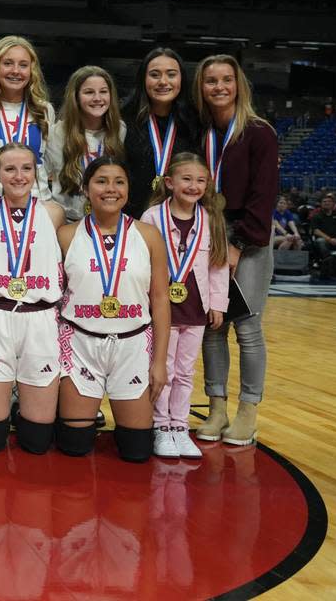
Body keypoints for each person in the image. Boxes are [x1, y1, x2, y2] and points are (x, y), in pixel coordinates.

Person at [55, 156, 170, 463]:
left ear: (129, 190)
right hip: (80, 343)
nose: (111, 189)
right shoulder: (66, 236)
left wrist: (159, 362)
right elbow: (55, 297)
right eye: (101, 181)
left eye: (119, 182)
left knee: (137, 452)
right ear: (85, 188)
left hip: (132, 345)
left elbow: (160, 298)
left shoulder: (148, 236)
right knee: (74, 445)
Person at [192, 54, 278, 446]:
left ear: (239, 84)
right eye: (211, 80)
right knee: (213, 326)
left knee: (247, 328)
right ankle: (217, 407)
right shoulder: (201, 132)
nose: (220, 87)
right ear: (202, 87)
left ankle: (248, 411)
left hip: (248, 238)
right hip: (208, 235)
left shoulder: (259, 133)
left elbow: (264, 197)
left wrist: (239, 245)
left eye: (227, 79)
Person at [0, 143, 66, 454]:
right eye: (9, 169)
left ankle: (23, 403)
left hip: (41, 319)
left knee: (37, 443)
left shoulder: (54, 213)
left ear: (37, 173)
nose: (18, 175)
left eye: (26, 168)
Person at [140, 153, 229, 459]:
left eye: (200, 180)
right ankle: (160, 426)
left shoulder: (211, 218)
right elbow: (141, 263)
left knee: (186, 371)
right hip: (161, 309)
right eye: (186, 179)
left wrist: (218, 303)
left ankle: (180, 426)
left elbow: (218, 265)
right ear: (170, 183)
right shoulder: (152, 217)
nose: (193, 186)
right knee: (162, 368)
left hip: (195, 308)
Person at [0, 35, 54, 204]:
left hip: (37, 204)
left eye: (23, 65)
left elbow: (49, 160)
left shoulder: (44, 110)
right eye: (7, 63)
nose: (16, 70)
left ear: (32, 70)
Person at [121, 47, 201, 219]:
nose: (163, 81)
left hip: (182, 223)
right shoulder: (123, 119)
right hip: (130, 221)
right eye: (155, 75)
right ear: (143, 79)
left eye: (171, 74)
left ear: (182, 79)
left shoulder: (196, 122)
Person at [46, 66, 127, 221]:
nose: (97, 98)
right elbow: (40, 178)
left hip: (105, 219)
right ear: (75, 97)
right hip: (65, 221)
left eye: (103, 91)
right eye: (89, 92)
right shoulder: (55, 133)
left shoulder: (119, 129)